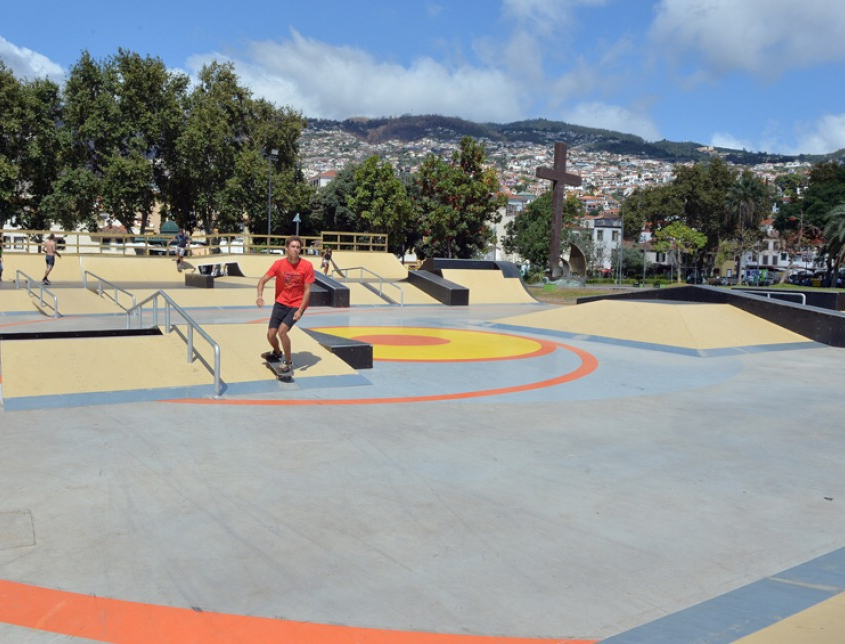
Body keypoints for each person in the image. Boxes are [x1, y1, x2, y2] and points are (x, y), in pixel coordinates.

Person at [256, 236, 315, 376]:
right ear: (286, 248)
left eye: (298, 247)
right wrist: (259, 295)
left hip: (297, 304)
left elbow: (307, 289)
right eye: (293, 247)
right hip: (281, 302)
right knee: (271, 335)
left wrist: (300, 310)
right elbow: (262, 280)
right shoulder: (278, 264)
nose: (296, 249)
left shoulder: (307, 266)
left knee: (282, 331)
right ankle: (277, 352)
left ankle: (288, 363)